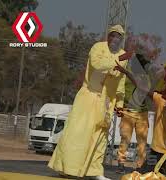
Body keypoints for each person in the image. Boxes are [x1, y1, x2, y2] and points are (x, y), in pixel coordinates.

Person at [48, 25, 133, 180]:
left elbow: (120, 81)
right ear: (108, 36)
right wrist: (118, 60)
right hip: (88, 97)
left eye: (119, 36)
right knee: (78, 134)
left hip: (106, 100)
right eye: (113, 35)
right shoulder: (98, 48)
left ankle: (95, 172)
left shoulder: (122, 55)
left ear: (121, 40)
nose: (115, 39)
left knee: (100, 137)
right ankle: (66, 168)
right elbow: (98, 65)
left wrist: (120, 104)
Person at [114, 62, 166, 178]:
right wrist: (126, 72)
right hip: (155, 152)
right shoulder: (162, 101)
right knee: (142, 176)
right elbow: (141, 87)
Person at [116, 53, 151, 173]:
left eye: (143, 64)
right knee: (125, 139)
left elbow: (142, 88)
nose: (142, 66)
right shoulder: (125, 75)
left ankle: (140, 166)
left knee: (142, 142)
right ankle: (121, 163)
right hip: (127, 111)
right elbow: (120, 90)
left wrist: (126, 72)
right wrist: (119, 105)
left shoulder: (145, 77)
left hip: (142, 113)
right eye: (141, 64)